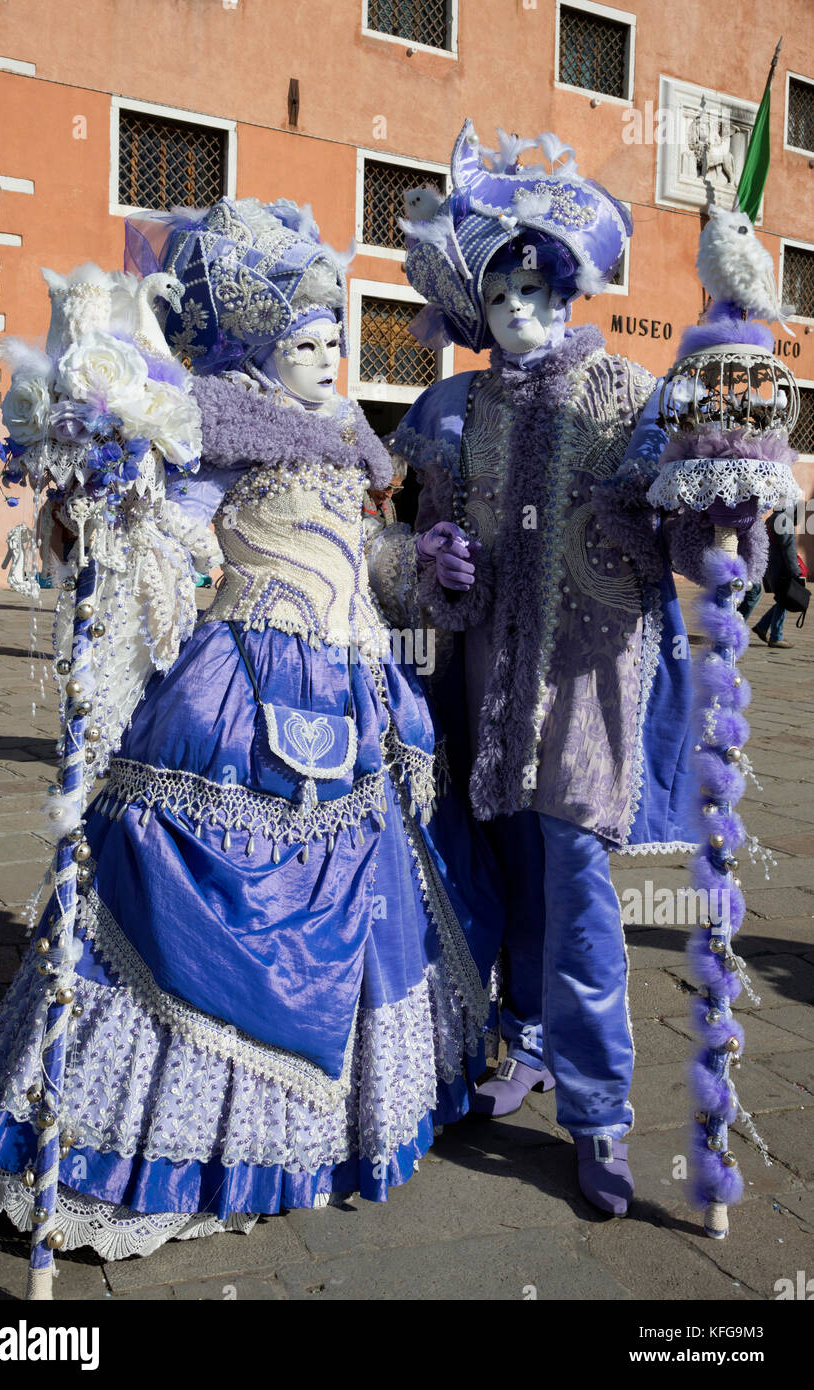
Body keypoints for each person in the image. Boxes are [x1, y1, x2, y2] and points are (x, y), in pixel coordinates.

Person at [0, 196, 501, 1261]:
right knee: (183, 893)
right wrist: (107, 496)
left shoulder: (353, 441)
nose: (327, 353)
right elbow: (165, 530)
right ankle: (158, 1147)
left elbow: (367, 570)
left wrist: (415, 569)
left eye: (334, 336)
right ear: (256, 344)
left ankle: (314, 1133)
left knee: (378, 896)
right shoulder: (215, 423)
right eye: (305, 339)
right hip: (242, 696)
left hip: (354, 696)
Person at [369, 122, 766, 1216]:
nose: (524, 316)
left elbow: (690, 546)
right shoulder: (450, 414)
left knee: (581, 900)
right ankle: (517, 1040)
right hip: (478, 687)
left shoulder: (632, 398)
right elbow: (410, 560)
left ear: (575, 289)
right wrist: (426, 564)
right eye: (501, 300)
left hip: (590, 687)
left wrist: (724, 499)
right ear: (473, 311)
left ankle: (595, 1114)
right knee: (487, 876)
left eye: (543, 293)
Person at [751, 505, 803, 649]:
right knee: (784, 600)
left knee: (782, 600)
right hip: (782, 571)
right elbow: (790, 550)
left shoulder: (772, 518)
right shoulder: (784, 521)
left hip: (772, 569)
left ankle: (762, 626)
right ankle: (776, 637)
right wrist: (795, 572)